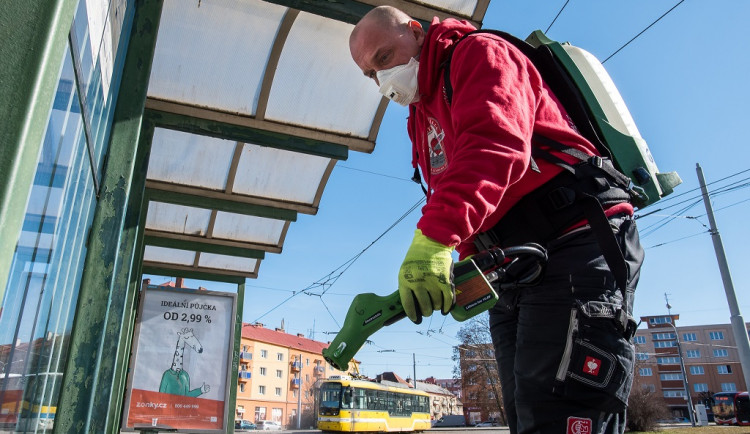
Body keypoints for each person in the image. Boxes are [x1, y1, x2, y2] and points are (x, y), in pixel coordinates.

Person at [349, 6, 645, 434]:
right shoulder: (422, 116)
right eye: (369, 73)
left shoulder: (479, 54)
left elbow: (494, 147)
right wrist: (456, 271)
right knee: (528, 414)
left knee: (562, 411)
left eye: (384, 57)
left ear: (416, 32)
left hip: (573, 242)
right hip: (510, 269)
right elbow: (458, 192)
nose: (382, 78)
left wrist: (433, 240)